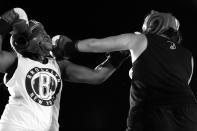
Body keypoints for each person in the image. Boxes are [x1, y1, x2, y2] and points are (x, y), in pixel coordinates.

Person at [59, 10, 197, 131]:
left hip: (151, 109)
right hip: (189, 112)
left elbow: (94, 44)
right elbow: (176, 83)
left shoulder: (139, 39)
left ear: (153, 24)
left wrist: (71, 47)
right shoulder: (188, 55)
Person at [0, 8, 129, 131]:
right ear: (23, 42)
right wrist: (5, 21)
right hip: (15, 125)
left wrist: (118, 56)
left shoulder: (58, 64)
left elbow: (97, 76)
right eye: (37, 32)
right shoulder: (16, 60)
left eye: (45, 31)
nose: (46, 35)